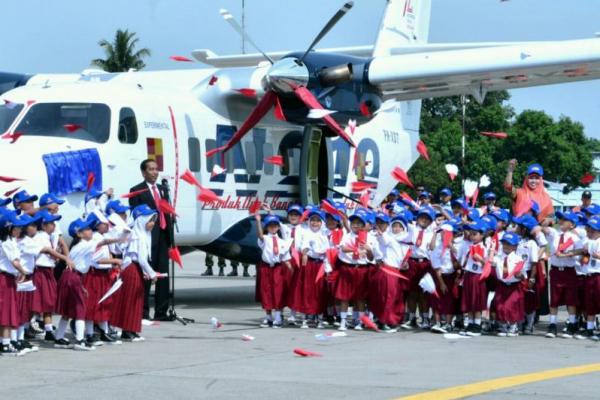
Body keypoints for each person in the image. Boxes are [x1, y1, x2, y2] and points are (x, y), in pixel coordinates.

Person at [128, 159, 174, 321]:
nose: (155, 172)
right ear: (143, 172)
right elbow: (135, 215)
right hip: (147, 236)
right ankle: (143, 312)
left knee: (163, 274)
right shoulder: (137, 191)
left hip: (162, 235)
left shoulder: (163, 189)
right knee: (147, 274)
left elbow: (166, 212)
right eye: (151, 169)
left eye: (156, 169)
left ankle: (161, 311)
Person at [110, 205, 159, 342]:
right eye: (150, 220)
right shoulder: (139, 237)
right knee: (132, 301)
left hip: (134, 269)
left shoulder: (139, 234)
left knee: (134, 301)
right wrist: (152, 273)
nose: (152, 224)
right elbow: (142, 259)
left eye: (154, 220)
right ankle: (128, 331)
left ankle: (130, 330)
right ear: (141, 220)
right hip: (132, 270)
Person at [542, 211, 582, 339]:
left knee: (571, 299)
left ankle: (572, 324)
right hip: (555, 270)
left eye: (565, 220)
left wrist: (567, 254)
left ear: (572, 224)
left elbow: (581, 252)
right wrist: (548, 220)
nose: (561, 221)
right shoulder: (554, 234)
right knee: (554, 299)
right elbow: (542, 228)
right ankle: (552, 324)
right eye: (560, 219)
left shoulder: (575, 237)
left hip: (569, 271)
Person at [254, 212, 292, 328]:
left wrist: (292, 270)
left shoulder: (282, 242)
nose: (273, 227)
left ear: (278, 227)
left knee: (278, 292)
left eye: (275, 225)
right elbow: (260, 235)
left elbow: (286, 258)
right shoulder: (264, 239)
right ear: (267, 227)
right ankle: (268, 317)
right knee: (266, 292)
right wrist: (258, 221)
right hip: (266, 267)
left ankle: (278, 317)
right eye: (270, 225)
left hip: (277, 268)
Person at [493, 232, 526, 337]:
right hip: (502, 284)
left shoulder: (518, 259)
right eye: (504, 243)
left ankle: (513, 326)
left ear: (515, 246)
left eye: (509, 244)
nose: (506, 246)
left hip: (513, 286)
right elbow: (489, 263)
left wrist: (519, 275)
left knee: (511, 306)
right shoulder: (498, 257)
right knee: (500, 305)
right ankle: (502, 325)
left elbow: (523, 275)